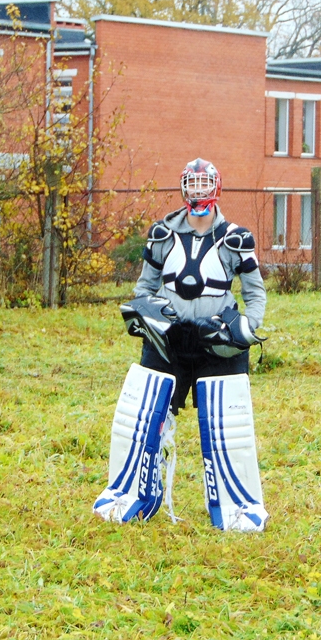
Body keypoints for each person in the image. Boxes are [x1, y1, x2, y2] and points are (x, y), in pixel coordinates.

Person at [93, 158, 270, 531]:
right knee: (144, 423)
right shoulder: (161, 234)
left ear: (216, 188)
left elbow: (255, 295)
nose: (199, 191)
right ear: (184, 187)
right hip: (168, 344)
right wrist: (154, 323)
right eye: (193, 184)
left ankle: (236, 506)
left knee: (225, 427)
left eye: (206, 184)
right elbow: (143, 290)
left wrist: (243, 330)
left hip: (218, 347)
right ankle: (134, 495)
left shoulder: (236, 237)